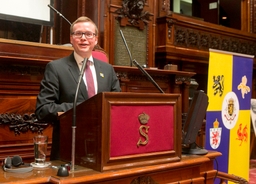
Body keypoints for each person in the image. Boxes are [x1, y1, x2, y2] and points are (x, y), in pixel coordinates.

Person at [35, 16, 121, 160]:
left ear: (96, 39)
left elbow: (117, 106)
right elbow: (43, 109)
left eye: (88, 34)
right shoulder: (56, 68)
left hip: (103, 147)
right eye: (78, 34)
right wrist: (82, 108)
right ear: (71, 38)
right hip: (69, 148)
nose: (83, 38)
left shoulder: (108, 70)